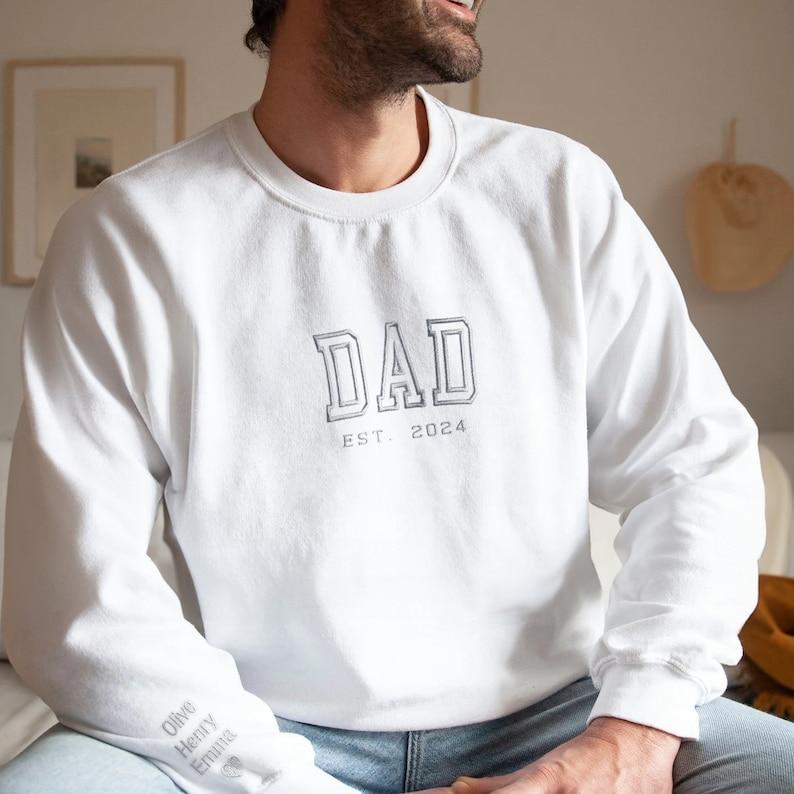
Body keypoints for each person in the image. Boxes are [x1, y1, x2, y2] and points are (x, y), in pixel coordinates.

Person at [1, 0, 792, 792]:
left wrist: (634, 729)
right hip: (260, 725)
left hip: (564, 714)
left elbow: (695, 465)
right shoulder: (132, 237)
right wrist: (274, 779)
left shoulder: (556, 190)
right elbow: (75, 600)